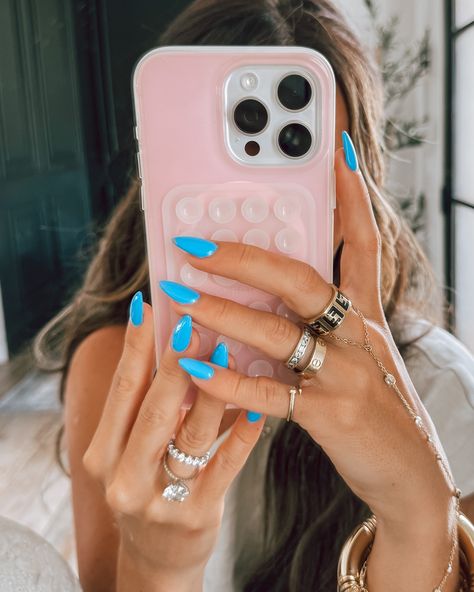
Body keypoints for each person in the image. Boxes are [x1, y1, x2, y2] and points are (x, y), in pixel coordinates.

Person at [35, 1, 474, 591]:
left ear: (359, 182)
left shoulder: (443, 392)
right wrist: (158, 566)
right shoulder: (118, 369)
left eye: (297, 167)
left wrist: (421, 516)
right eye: (220, 185)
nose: (257, 224)